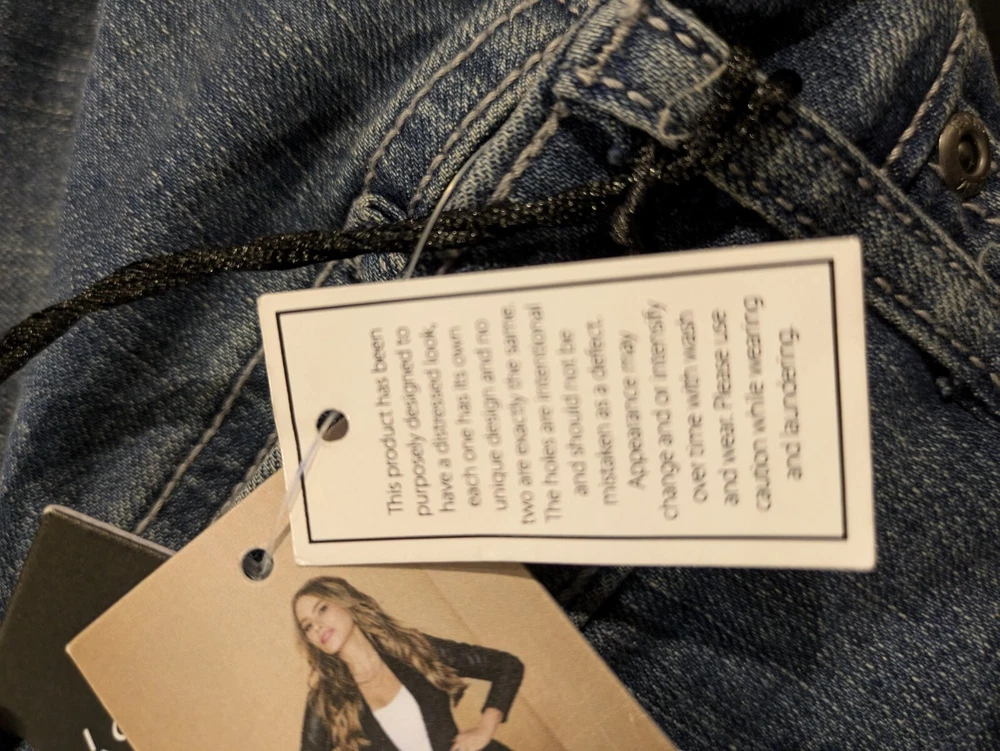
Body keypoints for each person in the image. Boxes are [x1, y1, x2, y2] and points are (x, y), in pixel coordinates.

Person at [293, 576, 524, 751]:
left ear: (347, 603)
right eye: (308, 626)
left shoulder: (412, 649)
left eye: (322, 609)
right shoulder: (326, 698)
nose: (317, 626)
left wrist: (485, 728)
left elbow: (507, 666)